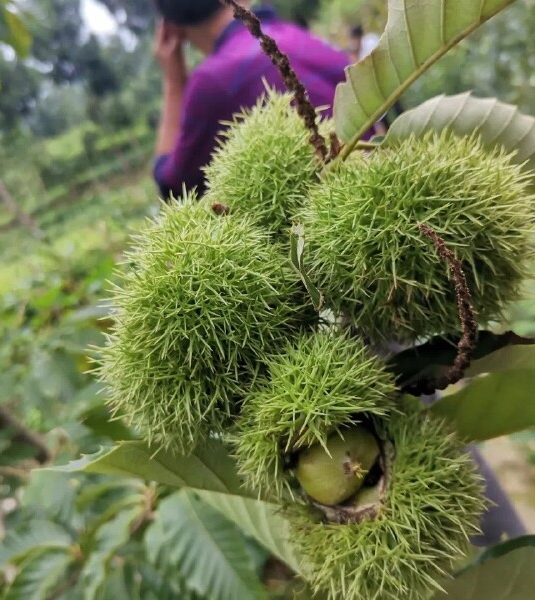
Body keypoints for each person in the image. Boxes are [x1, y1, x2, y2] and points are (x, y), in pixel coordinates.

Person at [152, 0, 527, 546]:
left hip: (344, 291)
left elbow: (169, 179)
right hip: (388, 279)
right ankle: (501, 542)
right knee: (424, 420)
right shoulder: (304, 43)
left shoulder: (211, 80)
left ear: (173, 29)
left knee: (414, 431)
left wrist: (171, 79)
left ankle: (494, 545)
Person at [152, 0, 351, 199]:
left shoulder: (212, 80)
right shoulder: (299, 35)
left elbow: (173, 188)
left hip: (326, 208)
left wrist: (173, 83)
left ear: (170, 26)